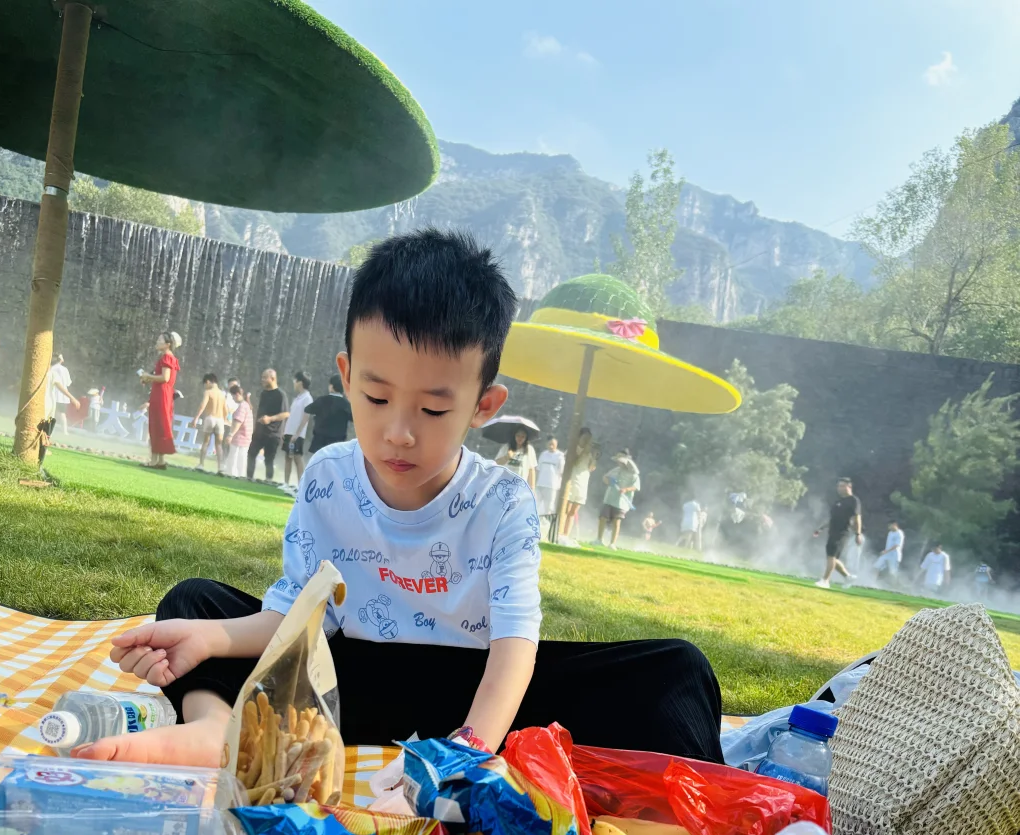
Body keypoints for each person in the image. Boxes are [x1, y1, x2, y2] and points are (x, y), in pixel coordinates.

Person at [73, 228, 724, 771]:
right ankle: (219, 729)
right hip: (345, 683)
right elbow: (298, 618)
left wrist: (468, 749)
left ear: (483, 406)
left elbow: (515, 646)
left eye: (435, 407)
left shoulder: (503, 502)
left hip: (476, 691)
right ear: (348, 377)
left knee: (674, 673)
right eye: (377, 399)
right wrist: (212, 640)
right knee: (192, 606)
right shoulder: (327, 477)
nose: (399, 432)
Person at [138, 331, 181, 470]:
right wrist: (148, 377)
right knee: (160, 425)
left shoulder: (166, 358)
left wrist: (148, 376)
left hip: (162, 394)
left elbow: (165, 378)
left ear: (168, 344)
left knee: (157, 424)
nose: (157, 342)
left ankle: (154, 460)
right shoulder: (169, 357)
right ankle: (159, 460)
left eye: (160, 340)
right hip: (164, 394)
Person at [813, 478, 862, 588]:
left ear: (849, 487)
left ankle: (825, 581)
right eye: (838, 486)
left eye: (842, 486)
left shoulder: (854, 500)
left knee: (831, 556)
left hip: (842, 533)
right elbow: (832, 519)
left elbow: (857, 518)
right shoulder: (838, 502)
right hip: (832, 532)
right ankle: (848, 577)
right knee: (832, 558)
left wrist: (858, 534)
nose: (839, 488)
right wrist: (821, 528)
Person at [247, 368, 289, 482]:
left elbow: (286, 413)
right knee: (251, 453)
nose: (262, 380)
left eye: (265, 378)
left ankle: (268, 480)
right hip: (260, 431)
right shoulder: (263, 393)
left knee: (268, 459)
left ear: (273, 378)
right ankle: (249, 478)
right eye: (262, 377)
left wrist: (270, 418)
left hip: (273, 433)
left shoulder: (281, 394)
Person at [597, 451, 640, 548]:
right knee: (603, 518)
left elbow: (636, 487)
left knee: (616, 521)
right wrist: (608, 481)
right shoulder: (616, 470)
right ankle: (599, 539)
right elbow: (605, 477)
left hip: (622, 502)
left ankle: (612, 543)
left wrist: (626, 489)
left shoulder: (633, 474)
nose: (619, 463)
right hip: (609, 498)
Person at [560, 427, 597, 539]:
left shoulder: (589, 453)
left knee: (573, 511)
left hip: (583, 482)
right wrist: (582, 451)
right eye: (584, 438)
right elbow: (572, 462)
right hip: (571, 481)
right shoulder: (572, 449)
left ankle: (566, 535)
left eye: (589, 439)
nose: (587, 441)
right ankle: (560, 533)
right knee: (566, 509)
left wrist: (594, 457)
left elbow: (591, 468)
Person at [306, 373, 353, 455]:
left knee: (319, 465)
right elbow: (354, 418)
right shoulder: (346, 404)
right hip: (338, 443)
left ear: (331, 386)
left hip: (320, 440)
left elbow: (307, 409)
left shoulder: (322, 400)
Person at [282, 370, 313, 489]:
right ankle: (286, 483)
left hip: (298, 434)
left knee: (297, 458)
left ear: (300, 382)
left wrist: (297, 433)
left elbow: (305, 418)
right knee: (287, 457)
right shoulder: (297, 398)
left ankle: (302, 486)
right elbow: (292, 416)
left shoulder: (307, 398)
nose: (293, 383)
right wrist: (285, 431)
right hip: (289, 432)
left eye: (295, 381)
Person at [192, 373, 227, 474]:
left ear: (207, 382)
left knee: (206, 442)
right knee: (219, 445)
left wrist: (196, 418)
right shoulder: (222, 394)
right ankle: (220, 467)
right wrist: (225, 420)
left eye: (205, 384)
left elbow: (203, 405)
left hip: (210, 418)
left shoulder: (208, 392)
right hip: (220, 420)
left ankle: (201, 464)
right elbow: (225, 409)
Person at [535, 435, 564, 539]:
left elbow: (561, 472)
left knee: (549, 508)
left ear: (556, 444)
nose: (551, 446)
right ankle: (535, 528)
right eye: (549, 444)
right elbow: (538, 469)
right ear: (546, 444)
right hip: (540, 484)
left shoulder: (560, 456)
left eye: (553, 444)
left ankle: (547, 532)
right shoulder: (543, 454)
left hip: (552, 486)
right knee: (536, 506)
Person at [223, 382, 252, 477]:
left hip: (240, 437)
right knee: (241, 459)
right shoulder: (246, 405)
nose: (233, 399)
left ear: (237, 394)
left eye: (233, 396)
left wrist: (230, 434)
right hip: (246, 437)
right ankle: (239, 475)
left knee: (234, 458)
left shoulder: (242, 406)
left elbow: (237, 422)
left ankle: (232, 475)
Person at [45, 351, 75, 437]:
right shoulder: (64, 369)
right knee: (62, 414)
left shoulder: (51, 368)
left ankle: (48, 430)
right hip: (62, 396)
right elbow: (68, 383)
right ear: (60, 360)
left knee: (50, 413)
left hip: (52, 394)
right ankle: (64, 431)